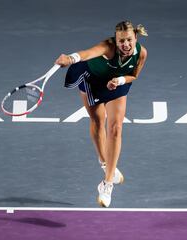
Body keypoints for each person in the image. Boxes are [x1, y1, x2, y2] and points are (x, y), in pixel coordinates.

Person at [55, 20, 148, 207]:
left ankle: (106, 184)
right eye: (121, 41)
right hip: (93, 81)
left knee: (115, 128)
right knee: (98, 122)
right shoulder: (108, 46)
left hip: (116, 83)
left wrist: (120, 80)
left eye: (129, 40)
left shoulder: (142, 53)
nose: (126, 45)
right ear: (116, 39)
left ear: (135, 37)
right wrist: (71, 58)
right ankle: (105, 163)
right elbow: (87, 53)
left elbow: (134, 76)